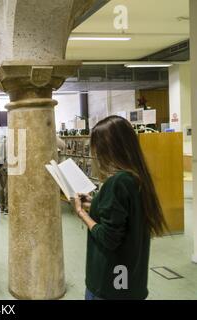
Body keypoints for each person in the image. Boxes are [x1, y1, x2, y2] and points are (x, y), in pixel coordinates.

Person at [71, 116, 168, 300]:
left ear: (108, 148)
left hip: (109, 284)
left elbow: (108, 237)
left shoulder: (117, 183)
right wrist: (96, 202)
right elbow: (122, 216)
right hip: (129, 281)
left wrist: (81, 212)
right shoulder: (136, 178)